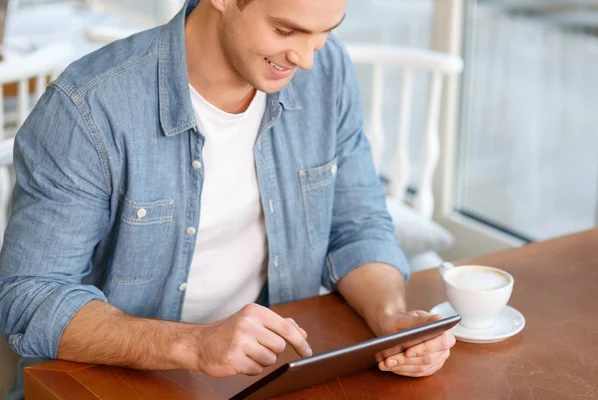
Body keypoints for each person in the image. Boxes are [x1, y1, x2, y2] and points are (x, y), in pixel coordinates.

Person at [0, 0, 455, 396]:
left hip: (268, 375)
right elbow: (30, 298)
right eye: (284, 29)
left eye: (324, 32)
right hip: (114, 381)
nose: (306, 58)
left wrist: (391, 320)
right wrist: (194, 344)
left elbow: (357, 226)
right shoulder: (88, 108)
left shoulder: (327, 71)